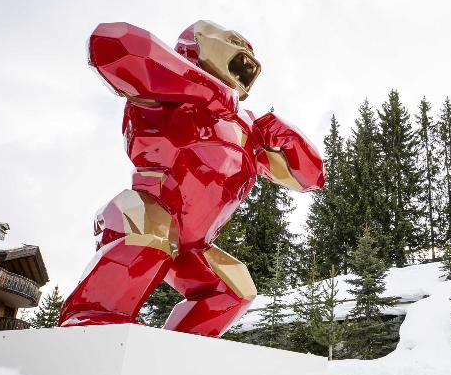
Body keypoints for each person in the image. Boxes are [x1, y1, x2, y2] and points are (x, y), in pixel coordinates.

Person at [59, 21, 325, 337]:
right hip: (145, 210)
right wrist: (205, 89)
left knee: (234, 289)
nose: (246, 52)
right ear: (196, 42)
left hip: (195, 245)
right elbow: (109, 43)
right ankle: (92, 316)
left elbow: (312, 179)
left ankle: (178, 347)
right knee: (153, 235)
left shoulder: (247, 130)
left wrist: (292, 141)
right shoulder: (167, 85)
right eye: (234, 41)